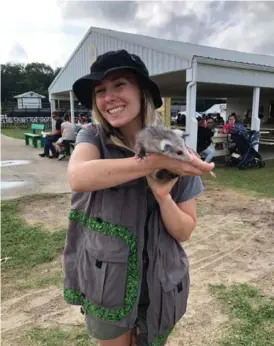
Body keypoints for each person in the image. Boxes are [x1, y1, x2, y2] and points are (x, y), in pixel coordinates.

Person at [63, 49, 214, 346]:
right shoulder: (93, 137)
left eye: (119, 84)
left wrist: (162, 197)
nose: (109, 97)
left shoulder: (175, 146)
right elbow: (78, 177)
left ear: (142, 91)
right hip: (107, 280)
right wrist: (154, 163)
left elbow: (185, 230)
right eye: (100, 91)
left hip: (160, 284)